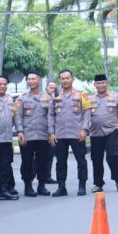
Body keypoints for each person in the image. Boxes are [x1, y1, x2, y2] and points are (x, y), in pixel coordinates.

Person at [49, 69, 89, 197]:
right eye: (63, 78)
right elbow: (51, 115)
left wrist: (84, 129)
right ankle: (61, 187)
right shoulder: (55, 96)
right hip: (60, 134)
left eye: (67, 78)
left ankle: (82, 185)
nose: (65, 80)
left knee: (81, 160)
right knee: (60, 162)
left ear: (72, 79)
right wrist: (51, 132)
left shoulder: (82, 94)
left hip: (77, 134)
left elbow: (87, 112)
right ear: (60, 80)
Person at [87, 73, 118, 193]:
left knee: (113, 156)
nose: (101, 85)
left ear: (107, 83)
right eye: (98, 83)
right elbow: (83, 114)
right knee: (96, 159)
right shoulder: (89, 99)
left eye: (103, 83)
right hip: (95, 133)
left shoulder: (116, 96)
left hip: (111, 131)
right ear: (94, 84)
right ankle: (98, 184)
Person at [15, 72, 53, 196]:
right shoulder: (22, 98)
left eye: (33, 79)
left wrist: (52, 133)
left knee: (43, 161)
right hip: (27, 135)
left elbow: (51, 116)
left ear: (39, 80)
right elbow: (17, 116)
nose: (30, 81)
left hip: (43, 135)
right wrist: (20, 131)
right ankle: (28, 185)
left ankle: (42, 185)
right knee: (27, 162)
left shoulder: (47, 98)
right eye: (29, 79)